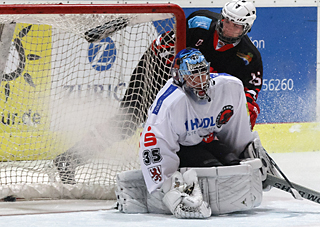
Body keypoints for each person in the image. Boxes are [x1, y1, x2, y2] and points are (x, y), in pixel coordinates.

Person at [54, 0, 262, 184]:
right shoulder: (200, 23)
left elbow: (247, 102)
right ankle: (68, 160)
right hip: (158, 69)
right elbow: (163, 48)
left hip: (194, 87)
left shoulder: (249, 58)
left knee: (197, 132)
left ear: (246, 29)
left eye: (236, 26)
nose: (227, 28)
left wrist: (238, 135)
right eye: (226, 21)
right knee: (127, 122)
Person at [115, 48, 276, 218]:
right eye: (192, 76)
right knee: (216, 170)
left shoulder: (229, 87)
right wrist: (169, 187)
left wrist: (245, 152)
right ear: (179, 77)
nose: (200, 81)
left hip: (206, 142)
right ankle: (135, 186)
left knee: (234, 165)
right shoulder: (170, 103)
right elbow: (152, 143)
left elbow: (234, 130)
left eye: (202, 73)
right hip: (182, 149)